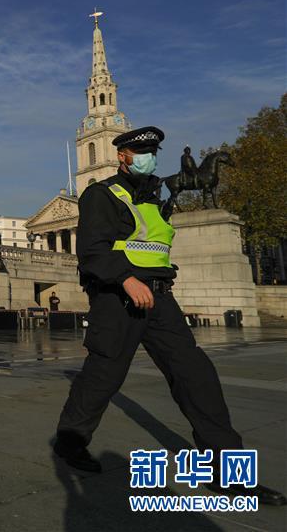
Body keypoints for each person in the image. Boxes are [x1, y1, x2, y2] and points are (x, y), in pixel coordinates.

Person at [53, 126, 285, 505]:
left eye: (154, 151)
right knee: (103, 376)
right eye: (141, 151)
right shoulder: (101, 194)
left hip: (160, 299)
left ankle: (230, 475)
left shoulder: (157, 199)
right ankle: (70, 442)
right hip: (118, 298)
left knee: (197, 376)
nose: (150, 157)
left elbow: (156, 250)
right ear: (123, 156)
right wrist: (126, 278)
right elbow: (92, 250)